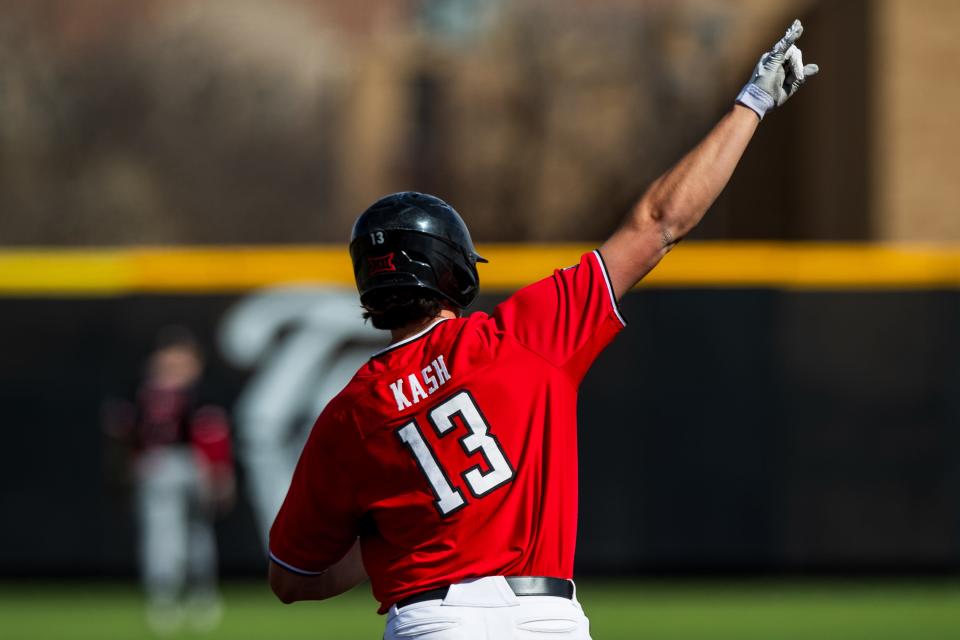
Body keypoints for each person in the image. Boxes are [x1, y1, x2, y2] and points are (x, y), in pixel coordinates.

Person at [267, 20, 818, 639]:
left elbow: (291, 578)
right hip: (545, 617)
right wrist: (753, 104)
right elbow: (660, 222)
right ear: (454, 267)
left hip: (433, 620)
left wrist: (390, 544)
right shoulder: (523, 336)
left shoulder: (352, 412)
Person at [103, 327, 235, 636]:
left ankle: (199, 596)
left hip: (190, 464)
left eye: (182, 356)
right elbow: (121, 434)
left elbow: (213, 436)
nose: (174, 362)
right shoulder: (139, 390)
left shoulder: (201, 392)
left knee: (195, 536)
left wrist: (220, 474)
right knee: (164, 537)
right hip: (157, 465)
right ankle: (165, 599)